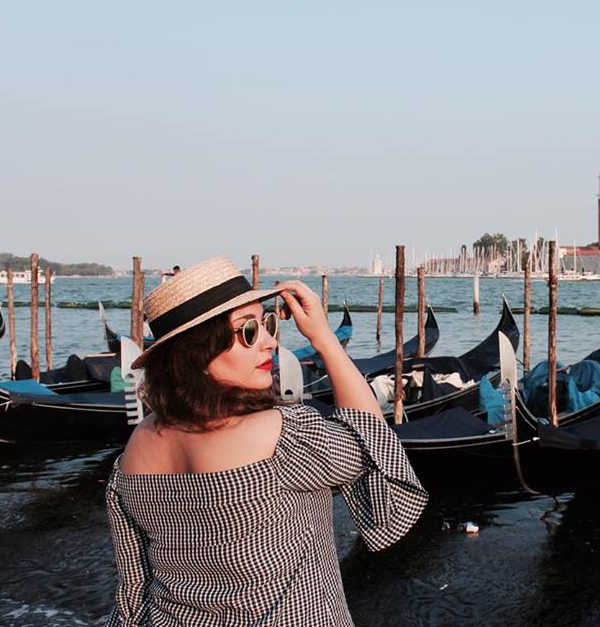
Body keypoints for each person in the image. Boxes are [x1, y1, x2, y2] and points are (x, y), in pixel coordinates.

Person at [105, 256, 427, 625]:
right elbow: (371, 440)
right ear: (198, 352)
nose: (270, 342)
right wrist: (323, 338)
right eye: (248, 331)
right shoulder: (279, 436)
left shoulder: (137, 446)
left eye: (268, 323)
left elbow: (133, 586)